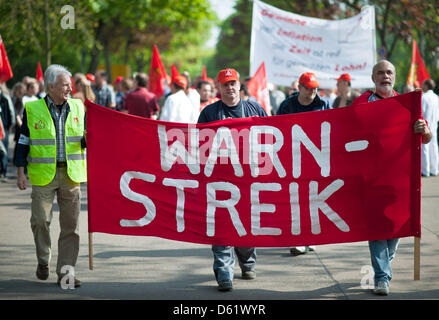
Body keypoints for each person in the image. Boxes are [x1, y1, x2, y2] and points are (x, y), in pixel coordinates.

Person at [352, 59, 432, 295]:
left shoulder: (407, 104)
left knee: (395, 228)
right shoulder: (362, 102)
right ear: (373, 78)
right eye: (380, 73)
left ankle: (384, 262)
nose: (385, 76)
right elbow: (345, 129)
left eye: (389, 72)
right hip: (371, 180)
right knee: (378, 228)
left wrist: (423, 129)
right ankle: (381, 277)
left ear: (394, 77)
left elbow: (426, 137)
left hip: (400, 181)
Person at [15, 64, 87, 288]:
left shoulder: (78, 107)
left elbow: (84, 140)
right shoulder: (33, 109)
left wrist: (92, 138)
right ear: (51, 86)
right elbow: (23, 141)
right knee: (40, 221)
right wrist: (20, 171)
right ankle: (43, 260)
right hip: (43, 174)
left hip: (71, 174)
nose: (70, 88)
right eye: (65, 85)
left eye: (70, 84)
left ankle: (66, 274)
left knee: (71, 227)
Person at [198, 68, 267, 291]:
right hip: (220, 180)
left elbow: (270, 135)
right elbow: (198, 144)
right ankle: (224, 272)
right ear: (219, 88)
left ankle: (247, 262)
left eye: (233, 83)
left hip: (249, 178)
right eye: (225, 84)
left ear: (239, 85)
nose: (230, 88)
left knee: (245, 224)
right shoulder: (209, 113)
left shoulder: (254, 107)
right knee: (222, 225)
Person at [277, 72, 329, 255]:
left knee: (314, 198)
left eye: (315, 88)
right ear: (299, 88)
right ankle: (298, 238)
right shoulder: (287, 105)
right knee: (295, 199)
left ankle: (312, 237)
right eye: (308, 88)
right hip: (293, 159)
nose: (312, 91)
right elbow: (277, 131)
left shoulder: (323, 104)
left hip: (316, 159)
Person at [420, 79, 439, 177]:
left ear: (426, 86)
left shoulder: (424, 97)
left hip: (426, 125)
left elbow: (421, 112)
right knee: (434, 147)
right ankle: (434, 170)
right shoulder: (437, 97)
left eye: (423, 84)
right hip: (434, 124)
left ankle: (425, 171)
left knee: (424, 147)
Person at [0, 84, 15, 181]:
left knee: (3, 150)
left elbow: (10, 112)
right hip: (2, 127)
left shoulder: (5, 99)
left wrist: (10, 125)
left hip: (4, 127)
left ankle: (3, 172)